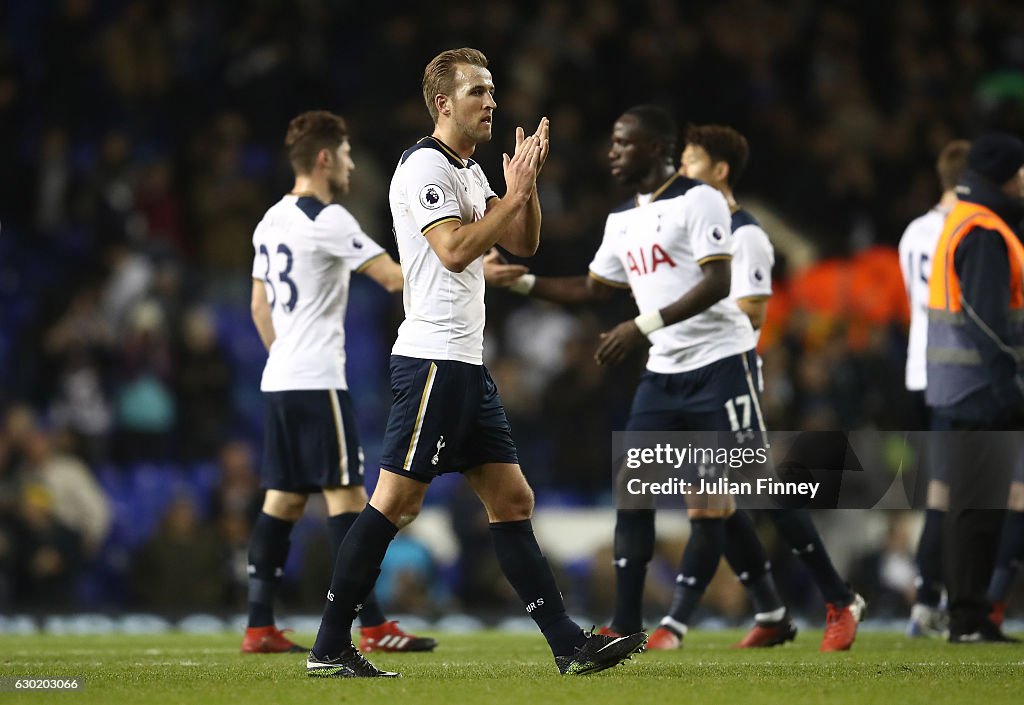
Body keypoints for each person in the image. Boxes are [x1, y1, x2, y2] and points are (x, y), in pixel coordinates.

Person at [305, 48, 648, 679]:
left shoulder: (469, 169)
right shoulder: (423, 168)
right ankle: (329, 645)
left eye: (492, 92)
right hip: (433, 360)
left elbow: (523, 241)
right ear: (443, 103)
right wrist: (510, 196)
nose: (491, 102)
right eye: (478, 93)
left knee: (513, 500)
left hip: (467, 363)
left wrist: (526, 185)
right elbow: (458, 249)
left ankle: (568, 645)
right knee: (395, 503)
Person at [499, 113, 864, 652]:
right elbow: (595, 288)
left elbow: (718, 281)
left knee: (755, 490)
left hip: (721, 364)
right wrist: (523, 281)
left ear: (657, 148)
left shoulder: (702, 201)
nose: (612, 152)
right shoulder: (622, 217)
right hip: (665, 371)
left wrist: (640, 325)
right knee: (638, 491)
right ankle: (626, 623)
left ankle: (838, 598)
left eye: (624, 143)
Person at [244, 110, 435, 655]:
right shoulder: (328, 219)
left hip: (279, 377)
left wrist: (283, 355)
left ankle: (259, 625)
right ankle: (372, 625)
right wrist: (467, 265)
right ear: (325, 158)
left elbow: (258, 305)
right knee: (349, 498)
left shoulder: (269, 221)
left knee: (282, 499)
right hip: (318, 378)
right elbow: (395, 277)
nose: (352, 164)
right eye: (347, 154)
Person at [671, 124, 865, 651]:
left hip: (731, 372)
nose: (681, 170)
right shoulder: (691, 232)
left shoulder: (745, 234)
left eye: (690, 161)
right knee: (714, 495)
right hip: (691, 372)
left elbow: (753, 314)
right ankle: (772, 611)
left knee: (752, 490)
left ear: (719, 170)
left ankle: (835, 597)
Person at [926, 132, 1024, 643]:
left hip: (964, 386)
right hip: (982, 389)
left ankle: (968, 614)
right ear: (1005, 174)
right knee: (977, 509)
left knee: (974, 505)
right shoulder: (985, 230)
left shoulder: (967, 220)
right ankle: (965, 616)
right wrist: (1010, 386)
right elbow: (986, 322)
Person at [897, 139, 970, 637]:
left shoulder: (912, 233)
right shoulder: (968, 231)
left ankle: (939, 597)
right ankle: (932, 600)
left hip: (923, 368)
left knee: (950, 489)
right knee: (958, 492)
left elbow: (913, 301)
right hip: (960, 371)